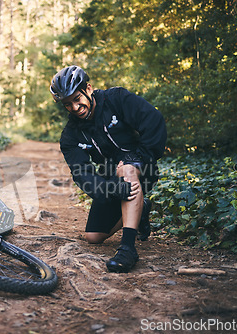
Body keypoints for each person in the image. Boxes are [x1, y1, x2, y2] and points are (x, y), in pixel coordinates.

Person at [50, 65, 167, 273]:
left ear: (88, 88)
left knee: (127, 170)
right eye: (68, 105)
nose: (75, 107)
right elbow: (81, 173)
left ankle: (128, 248)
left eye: (77, 99)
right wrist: (108, 189)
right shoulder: (71, 135)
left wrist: (139, 156)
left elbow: (154, 120)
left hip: (142, 168)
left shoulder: (116, 99)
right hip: (112, 182)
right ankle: (140, 210)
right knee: (93, 237)